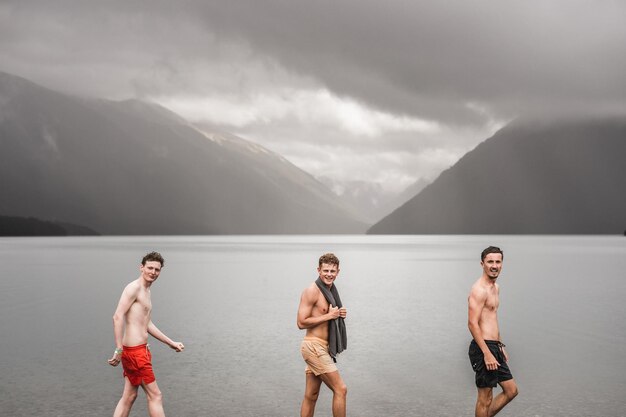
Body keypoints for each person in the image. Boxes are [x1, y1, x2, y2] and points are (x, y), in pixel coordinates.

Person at [108, 251, 184, 417]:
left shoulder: (146, 291)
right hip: (135, 353)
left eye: (157, 270)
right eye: (150, 268)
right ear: (141, 267)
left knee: (129, 396)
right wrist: (118, 350)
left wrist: (170, 342)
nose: (153, 272)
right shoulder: (134, 288)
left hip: (139, 351)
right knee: (155, 395)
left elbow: (147, 323)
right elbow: (117, 316)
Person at [467, 246, 519, 417]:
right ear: (482, 264)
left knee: (511, 391)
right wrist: (487, 353)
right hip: (483, 348)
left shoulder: (495, 288)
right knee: (485, 398)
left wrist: (500, 344)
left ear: (502, 264)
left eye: (498, 261)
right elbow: (472, 324)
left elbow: (492, 319)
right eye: (490, 262)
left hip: (494, 346)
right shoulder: (479, 290)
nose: (494, 265)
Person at [297, 253, 348, 417]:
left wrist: (339, 314)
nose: (329, 274)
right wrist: (330, 316)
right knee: (341, 389)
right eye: (326, 270)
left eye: (333, 271)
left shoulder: (331, 291)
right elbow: (300, 322)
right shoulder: (311, 291)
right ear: (318, 270)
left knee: (311, 396)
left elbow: (328, 313)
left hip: (323, 348)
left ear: (338, 272)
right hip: (313, 347)